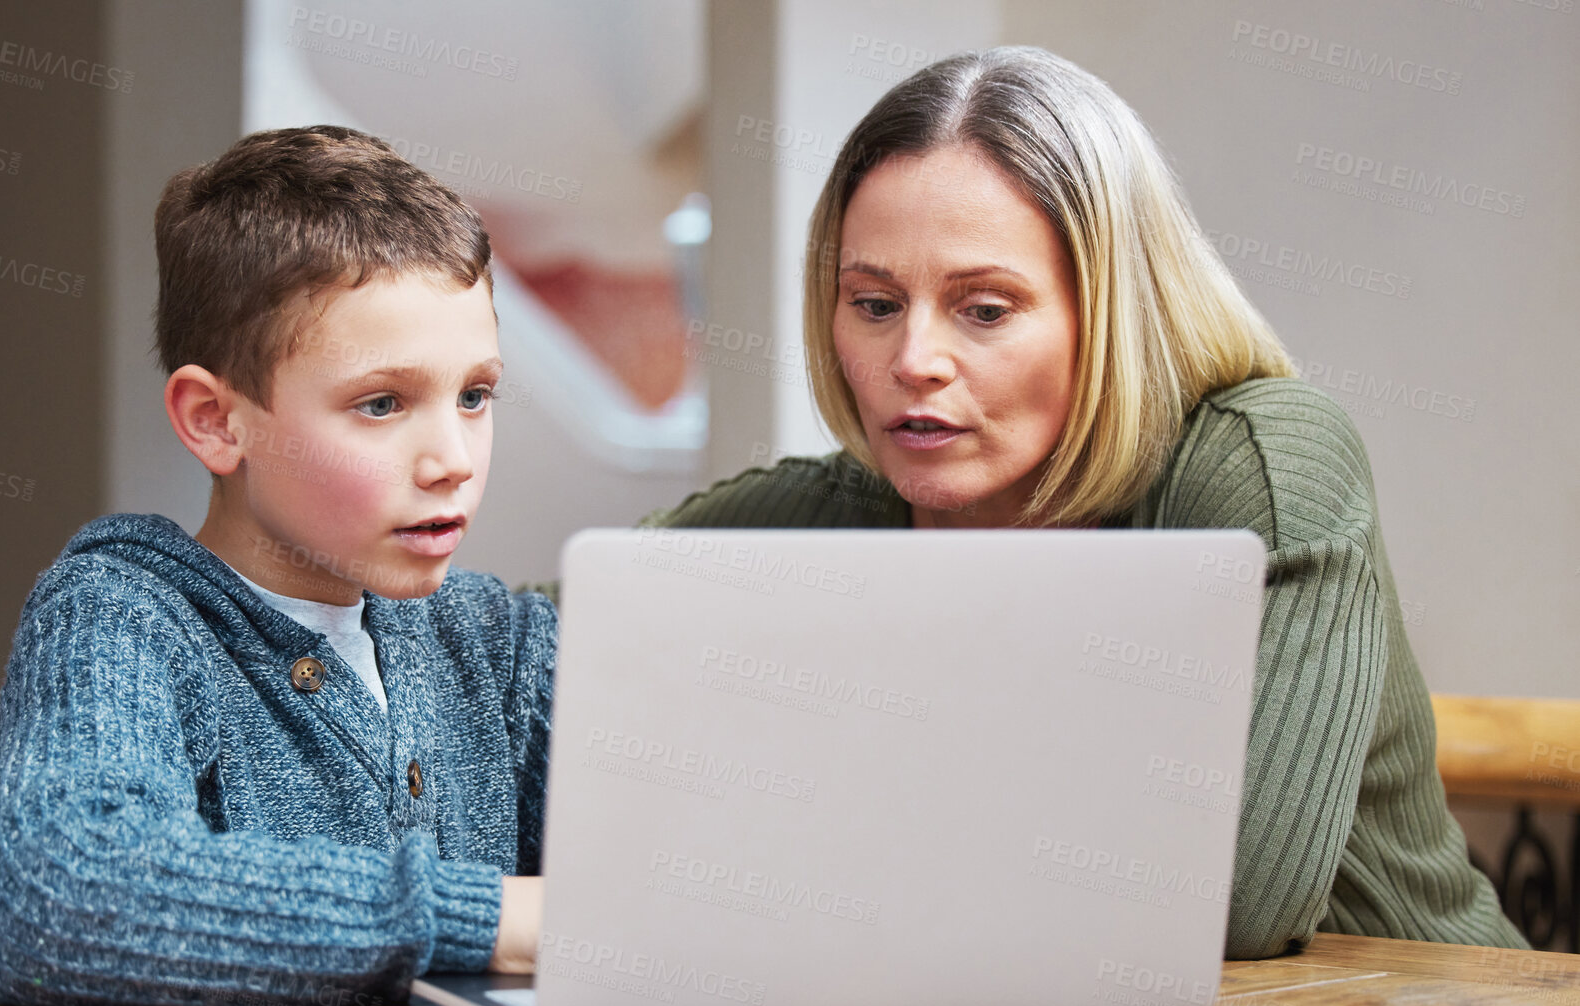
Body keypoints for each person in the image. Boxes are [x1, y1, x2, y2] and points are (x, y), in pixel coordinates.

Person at [644, 48, 1524, 958]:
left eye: (983, 310)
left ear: (1110, 310)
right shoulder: (842, 506)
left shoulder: (1264, 463)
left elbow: (1228, 905)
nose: (912, 360)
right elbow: (524, 638)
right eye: (873, 303)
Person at [0, 126, 548, 1006]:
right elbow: (58, 905)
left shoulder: (499, 640)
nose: (452, 458)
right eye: (381, 403)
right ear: (215, 421)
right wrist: (486, 918)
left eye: (474, 395)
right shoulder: (123, 616)